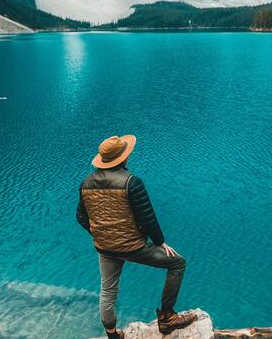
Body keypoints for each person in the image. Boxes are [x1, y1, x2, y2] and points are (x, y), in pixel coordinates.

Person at [76, 135, 196, 338]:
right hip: (133, 247)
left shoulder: (86, 183)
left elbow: (80, 216)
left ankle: (112, 334)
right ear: (123, 158)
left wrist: (100, 233)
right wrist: (160, 242)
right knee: (177, 263)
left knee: (108, 289)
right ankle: (167, 318)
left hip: (104, 248)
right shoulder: (131, 182)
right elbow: (147, 218)